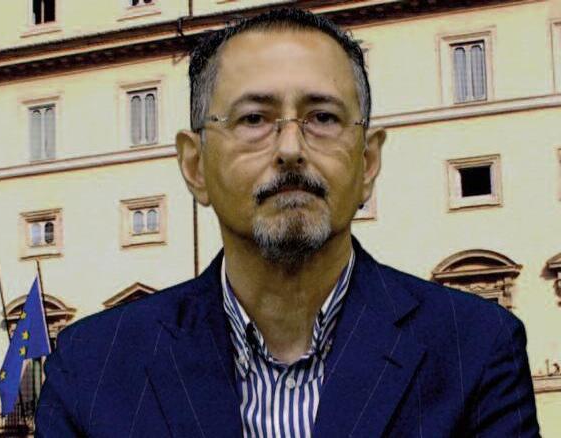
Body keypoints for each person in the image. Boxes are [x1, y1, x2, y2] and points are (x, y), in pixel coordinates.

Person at [35, 8, 540, 437]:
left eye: (323, 117)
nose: (291, 148)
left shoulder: (475, 350)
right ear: (195, 166)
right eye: (254, 119)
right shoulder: (92, 369)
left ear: (368, 163)